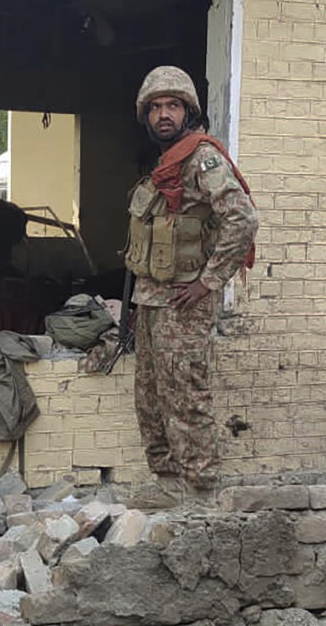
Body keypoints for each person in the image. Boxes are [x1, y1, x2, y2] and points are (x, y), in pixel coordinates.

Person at [124, 65, 258, 498]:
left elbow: (242, 219)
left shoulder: (202, 158)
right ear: (146, 116)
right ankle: (167, 483)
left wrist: (209, 281)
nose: (164, 114)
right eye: (156, 107)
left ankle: (200, 490)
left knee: (186, 396)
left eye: (173, 106)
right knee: (149, 396)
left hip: (184, 302)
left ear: (188, 111)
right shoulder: (165, 164)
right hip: (151, 299)